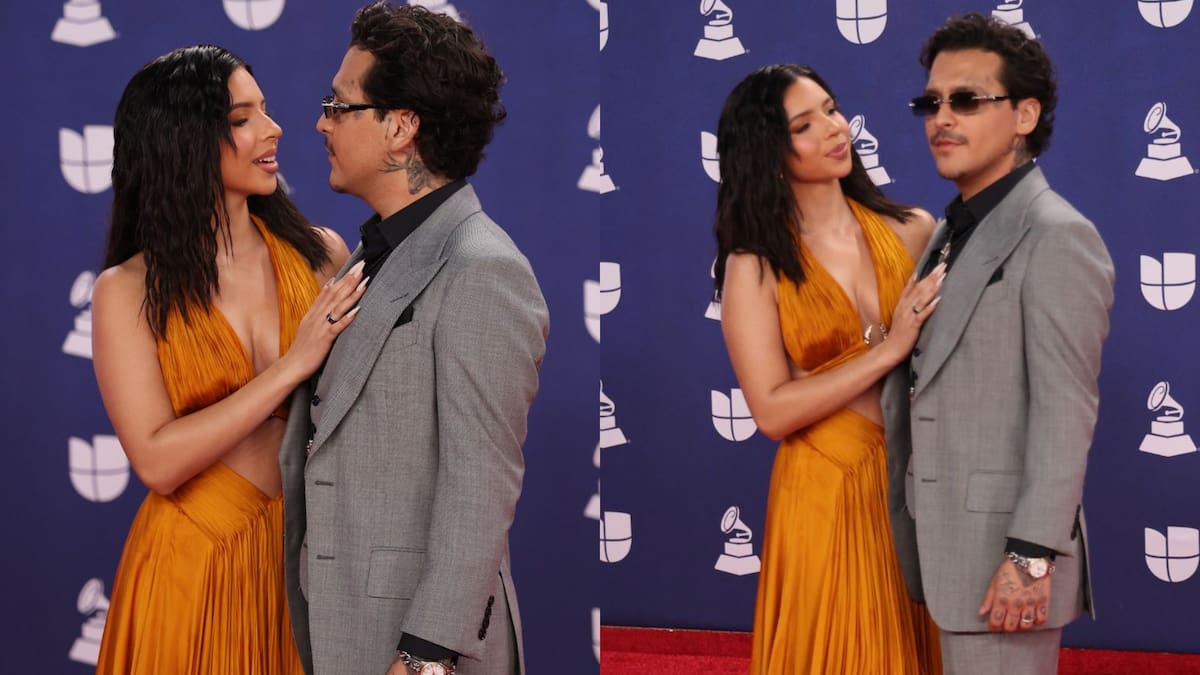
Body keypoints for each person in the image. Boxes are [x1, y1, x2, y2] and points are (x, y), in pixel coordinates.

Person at [279, 3, 549, 675]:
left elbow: (481, 487)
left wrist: (426, 656)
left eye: (339, 106)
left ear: (400, 128)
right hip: (344, 627)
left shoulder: (482, 267)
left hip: (419, 646)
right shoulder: (370, 251)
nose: (320, 123)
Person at [91, 45, 365, 674]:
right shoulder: (126, 289)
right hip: (192, 566)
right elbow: (158, 461)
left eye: (264, 110)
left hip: (309, 563)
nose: (274, 130)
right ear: (183, 143)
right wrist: (293, 366)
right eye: (242, 118)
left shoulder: (322, 253)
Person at [882, 13, 1114, 675]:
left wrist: (1030, 553)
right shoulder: (952, 225)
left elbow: (1066, 412)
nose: (941, 118)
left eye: (966, 100)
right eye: (931, 102)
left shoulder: (1056, 235)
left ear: (1024, 114)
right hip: (947, 552)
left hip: (1005, 567)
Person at [715, 63, 944, 674]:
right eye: (804, 124)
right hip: (826, 489)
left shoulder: (915, 230)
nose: (835, 128)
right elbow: (769, 410)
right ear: (769, 149)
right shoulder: (753, 266)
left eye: (832, 109)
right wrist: (889, 349)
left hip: (918, 484)